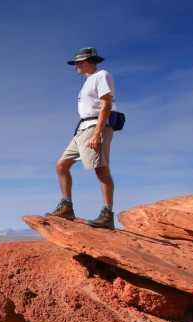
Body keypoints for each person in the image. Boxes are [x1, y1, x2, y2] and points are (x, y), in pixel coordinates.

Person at [46, 47, 116, 229]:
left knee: (101, 169)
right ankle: (67, 206)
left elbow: (106, 105)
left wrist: (97, 133)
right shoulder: (88, 81)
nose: (75, 66)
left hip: (94, 127)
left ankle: (107, 214)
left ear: (87, 61)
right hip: (82, 129)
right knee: (61, 165)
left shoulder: (102, 75)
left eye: (77, 62)